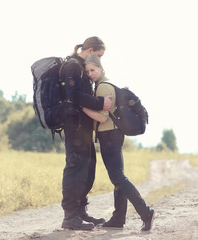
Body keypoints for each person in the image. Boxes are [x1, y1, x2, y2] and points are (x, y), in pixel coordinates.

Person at [82, 54, 155, 231]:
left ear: (100, 68)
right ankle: (118, 218)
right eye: (87, 71)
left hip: (110, 136)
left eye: (93, 70)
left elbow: (102, 116)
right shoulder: (105, 85)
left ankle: (145, 212)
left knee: (118, 177)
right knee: (118, 176)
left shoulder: (103, 87)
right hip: (113, 135)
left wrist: (82, 106)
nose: (90, 74)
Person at [60, 37, 113, 230]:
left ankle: (80, 212)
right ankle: (70, 217)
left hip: (84, 129)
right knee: (75, 169)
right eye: (98, 55)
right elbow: (73, 97)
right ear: (90, 50)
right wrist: (101, 103)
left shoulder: (82, 68)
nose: (99, 60)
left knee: (88, 170)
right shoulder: (72, 66)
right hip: (74, 127)